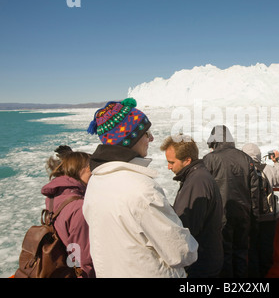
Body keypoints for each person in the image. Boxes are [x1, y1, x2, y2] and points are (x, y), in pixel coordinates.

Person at [83, 98, 198, 278]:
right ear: (130, 138)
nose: (151, 138)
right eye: (146, 133)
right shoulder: (141, 189)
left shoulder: (96, 183)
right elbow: (181, 252)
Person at [160, 134, 223, 278]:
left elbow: (187, 226)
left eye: (172, 162)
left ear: (187, 160)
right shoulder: (196, 177)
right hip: (206, 258)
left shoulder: (197, 182)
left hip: (201, 263)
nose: (168, 167)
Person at [203, 125, 260, 278]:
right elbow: (255, 190)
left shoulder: (210, 159)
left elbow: (203, 190)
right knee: (241, 253)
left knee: (223, 254)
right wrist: (254, 216)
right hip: (243, 214)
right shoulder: (245, 158)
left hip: (220, 216)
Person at [42, 145, 95, 278]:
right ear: (79, 170)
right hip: (78, 270)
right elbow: (84, 258)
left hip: (63, 263)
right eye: (91, 169)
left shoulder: (56, 196)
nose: (94, 174)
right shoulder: (78, 208)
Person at [242, 143, 279, 277]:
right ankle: (265, 272)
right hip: (269, 217)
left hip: (250, 217)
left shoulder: (241, 169)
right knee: (266, 247)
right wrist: (276, 162)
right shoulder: (267, 169)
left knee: (251, 248)